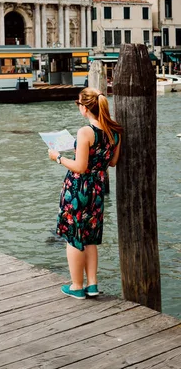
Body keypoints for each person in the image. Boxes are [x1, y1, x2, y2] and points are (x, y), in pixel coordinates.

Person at [48, 87, 122, 300]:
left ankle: (76, 286)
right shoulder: (115, 131)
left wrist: (58, 158)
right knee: (89, 237)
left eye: (78, 104)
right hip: (97, 188)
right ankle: (92, 285)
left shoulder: (85, 132)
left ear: (84, 108)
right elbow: (113, 162)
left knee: (74, 237)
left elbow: (80, 167)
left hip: (78, 187)